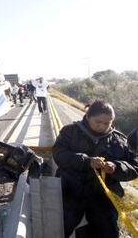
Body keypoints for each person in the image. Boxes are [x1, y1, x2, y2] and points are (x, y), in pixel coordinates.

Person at [53, 100, 138, 238]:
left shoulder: (119, 140)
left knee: (107, 231)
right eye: (98, 122)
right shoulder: (70, 132)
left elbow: (134, 166)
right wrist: (87, 161)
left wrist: (116, 167)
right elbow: (59, 154)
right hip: (70, 192)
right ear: (87, 117)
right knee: (62, 228)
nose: (102, 126)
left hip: (103, 198)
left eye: (107, 123)